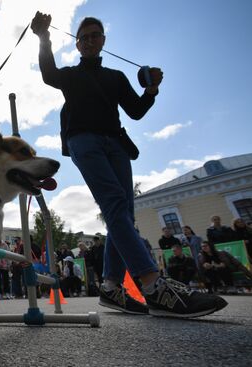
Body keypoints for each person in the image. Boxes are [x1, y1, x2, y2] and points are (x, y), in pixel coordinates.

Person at [31, 12, 226, 317]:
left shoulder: (116, 77)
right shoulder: (70, 75)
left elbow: (135, 112)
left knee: (123, 214)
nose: (90, 40)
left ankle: (110, 287)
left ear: (103, 41)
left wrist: (151, 90)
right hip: (84, 142)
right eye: (84, 37)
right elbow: (48, 74)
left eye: (96, 35)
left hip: (117, 145)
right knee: (113, 204)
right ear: (78, 45)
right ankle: (153, 285)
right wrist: (44, 38)